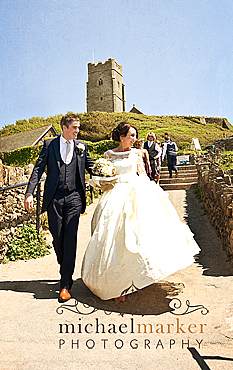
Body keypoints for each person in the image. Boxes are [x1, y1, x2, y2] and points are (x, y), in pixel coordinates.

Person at [81, 121, 200, 301]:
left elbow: (142, 175)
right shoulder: (108, 155)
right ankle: (116, 284)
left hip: (135, 192)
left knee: (138, 236)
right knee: (113, 237)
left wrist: (152, 193)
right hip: (114, 194)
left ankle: (139, 275)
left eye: (135, 136)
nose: (135, 139)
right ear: (122, 137)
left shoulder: (137, 153)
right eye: (132, 136)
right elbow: (106, 176)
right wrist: (102, 181)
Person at [24, 113, 95, 302]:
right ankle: (65, 268)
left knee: (70, 237)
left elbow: (91, 167)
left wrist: (108, 171)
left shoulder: (82, 147)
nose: (78, 131)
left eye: (78, 127)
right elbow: (38, 169)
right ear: (64, 127)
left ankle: (65, 284)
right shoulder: (49, 145)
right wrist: (29, 193)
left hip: (74, 197)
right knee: (57, 237)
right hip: (54, 197)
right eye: (74, 128)